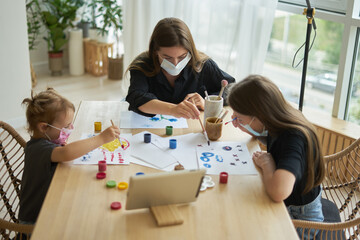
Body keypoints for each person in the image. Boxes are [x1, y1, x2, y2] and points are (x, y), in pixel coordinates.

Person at [227, 75, 325, 239]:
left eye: (240, 118)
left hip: (300, 221)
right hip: (290, 204)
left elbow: (279, 192)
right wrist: (246, 127)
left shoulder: (294, 138)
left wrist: (267, 164)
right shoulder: (279, 120)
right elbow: (266, 136)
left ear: (259, 116)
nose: (235, 120)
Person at [19, 88, 120, 225]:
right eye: (66, 126)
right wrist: (101, 138)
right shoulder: (37, 149)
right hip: (35, 223)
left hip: (50, 205)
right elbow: (67, 153)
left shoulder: (45, 141)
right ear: (44, 127)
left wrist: (59, 144)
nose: (70, 127)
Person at [125, 17, 235, 119]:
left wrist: (208, 102)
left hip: (192, 128)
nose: (175, 63)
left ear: (190, 51)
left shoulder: (203, 64)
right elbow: (136, 98)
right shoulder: (142, 66)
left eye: (182, 57)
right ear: (155, 51)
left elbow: (231, 88)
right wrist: (173, 109)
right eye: (167, 57)